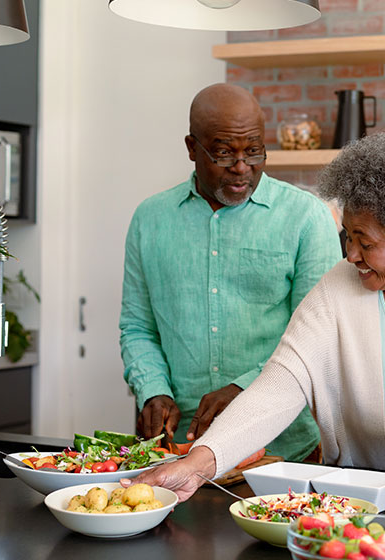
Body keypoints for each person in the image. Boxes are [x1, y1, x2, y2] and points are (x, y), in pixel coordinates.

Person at [127, 132, 385, 502]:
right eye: (348, 236)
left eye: (365, 242)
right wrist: (200, 463)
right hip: (366, 508)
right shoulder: (337, 288)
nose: (350, 255)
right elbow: (280, 384)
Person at [119, 83, 342, 462]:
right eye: (223, 153)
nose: (242, 167)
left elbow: (317, 339)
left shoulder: (307, 217)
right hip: (176, 450)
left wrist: (244, 389)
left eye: (253, 150)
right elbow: (138, 327)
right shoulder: (150, 219)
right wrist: (153, 391)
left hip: (281, 450)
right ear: (192, 148)